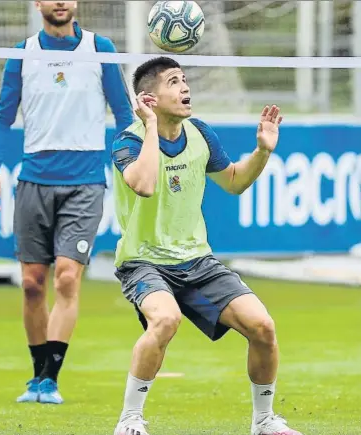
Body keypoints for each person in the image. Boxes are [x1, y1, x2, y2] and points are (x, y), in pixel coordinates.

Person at [111, 56, 302, 435]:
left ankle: (264, 421)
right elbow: (144, 184)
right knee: (165, 319)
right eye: (173, 82)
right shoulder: (128, 141)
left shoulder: (199, 133)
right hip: (144, 262)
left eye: (184, 80)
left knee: (263, 326)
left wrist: (263, 151)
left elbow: (234, 182)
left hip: (197, 260)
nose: (185, 88)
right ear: (148, 99)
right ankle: (130, 420)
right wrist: (150, 127)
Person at [0, 1, 134, 405]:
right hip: (33, 181)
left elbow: (123, 115)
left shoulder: (100, 49)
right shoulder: (22, 53)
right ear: (39, 4)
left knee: (67, 276)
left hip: (85, 184)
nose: (61, 1)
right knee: (33, 284)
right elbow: (1, 117)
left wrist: (130, 164)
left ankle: (50, 378)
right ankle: (37, 377)